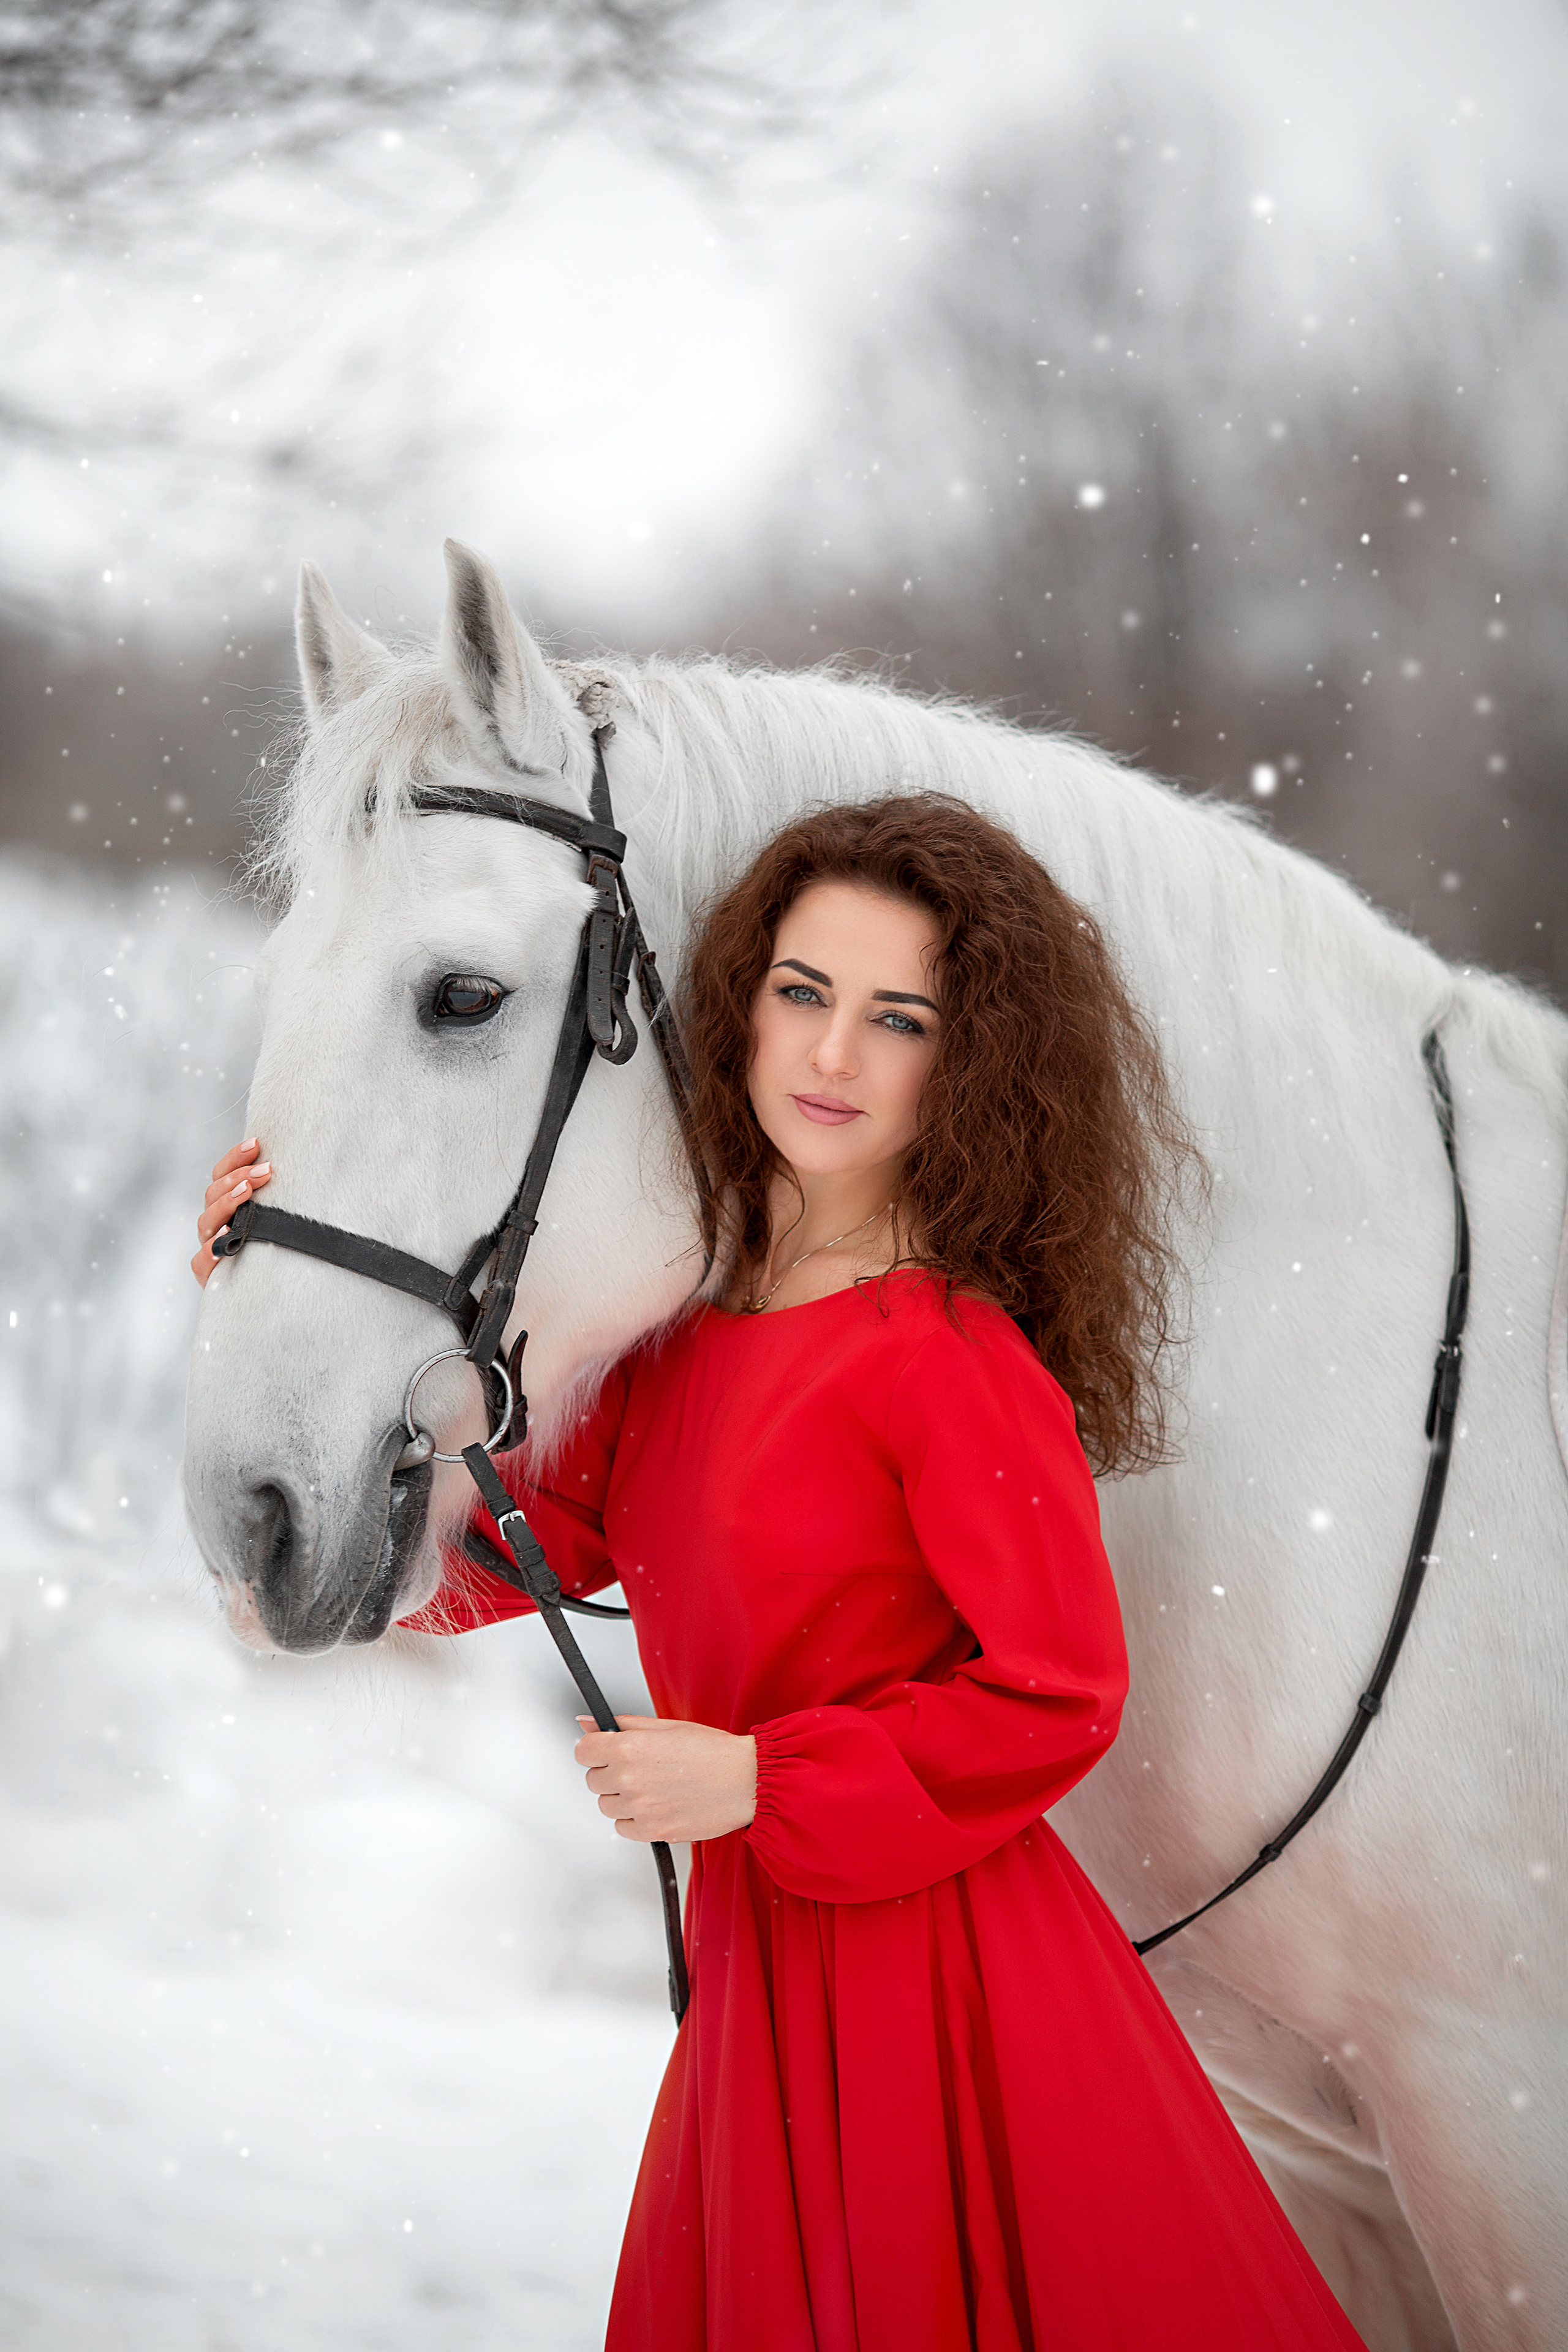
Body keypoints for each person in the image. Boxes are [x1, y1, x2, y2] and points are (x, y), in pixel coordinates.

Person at [195, 795, 1366, 2351]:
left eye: (895, 1019)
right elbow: (519, 1552)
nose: (828, 1055)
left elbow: (1056, 1694)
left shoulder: (952, 1358)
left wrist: (760, 1780)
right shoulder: (684, 1341)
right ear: (741, 1000)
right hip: (760, 1982)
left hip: (943, 1997)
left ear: (968, 1063)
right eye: (802, 994)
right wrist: (267, 1295)